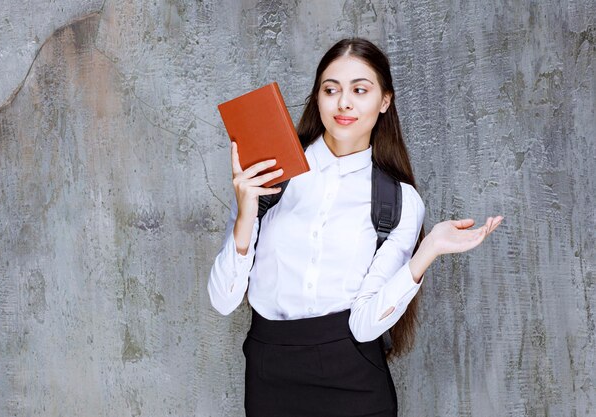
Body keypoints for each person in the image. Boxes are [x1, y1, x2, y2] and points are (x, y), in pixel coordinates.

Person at [208, 38, 503, 417]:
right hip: (270, 375)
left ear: (384, 101)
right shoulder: (271, 174)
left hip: (354, 379)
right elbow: (223, 300)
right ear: (318, 98)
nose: (343, 103)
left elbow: (365, 327)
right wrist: (246, 213)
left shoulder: (400, 201)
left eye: (360, 90)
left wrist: (426, 251)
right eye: (331, 90)